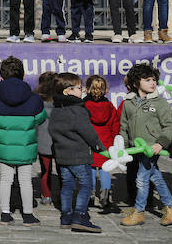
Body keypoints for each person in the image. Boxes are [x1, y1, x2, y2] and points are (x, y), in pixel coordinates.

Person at [119, 63, 172, 226]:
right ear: (135, 83)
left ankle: (139, 211)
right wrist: (124, 147)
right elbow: (124, 126)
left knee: (141, 178)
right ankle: (171, 208)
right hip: (136, 148)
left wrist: (161, 143)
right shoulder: (128, 102)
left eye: (154, 79)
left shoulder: (160, 103)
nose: (152, 83)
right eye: (147, 80)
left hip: (151, 148)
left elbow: (169, 125)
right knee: (156, 177)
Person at [0, 56, 46, 226]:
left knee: (5, 179)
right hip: (26, 147)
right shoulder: (34, 99)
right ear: (24, 76)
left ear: (2, 78)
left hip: (4, 147)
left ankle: (5, 214)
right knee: (25, 180)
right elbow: (40, 118)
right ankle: (28, 215)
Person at [48, 72, 105, 233]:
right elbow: (89, 133)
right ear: (68, 91)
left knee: (67, 185)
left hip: (62, 156)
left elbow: (52, 129)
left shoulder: (56, 110)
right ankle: (80, 215)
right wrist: (99, 148)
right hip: (79, 156)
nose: (83, 91)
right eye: (79, 88)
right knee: (86, 184)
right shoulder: (78, 110)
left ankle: (66, 216)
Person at [83, 75, 120, 214]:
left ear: (87, 89)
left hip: (90, 143)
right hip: (106, 143)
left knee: (91, 170)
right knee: (105, 170)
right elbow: (115, 125)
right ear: (106, 90)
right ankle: (105, 194)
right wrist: (115, 141)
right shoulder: (109, 106)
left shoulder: (84, 105)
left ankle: (91, 194)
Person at [34, 71, 56, 206]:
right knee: (62, 170)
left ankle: (46, 195)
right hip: (59, 140)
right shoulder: (61, 102)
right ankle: (62, 195)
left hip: (42, 140)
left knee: (45, 171)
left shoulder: (37, 101)